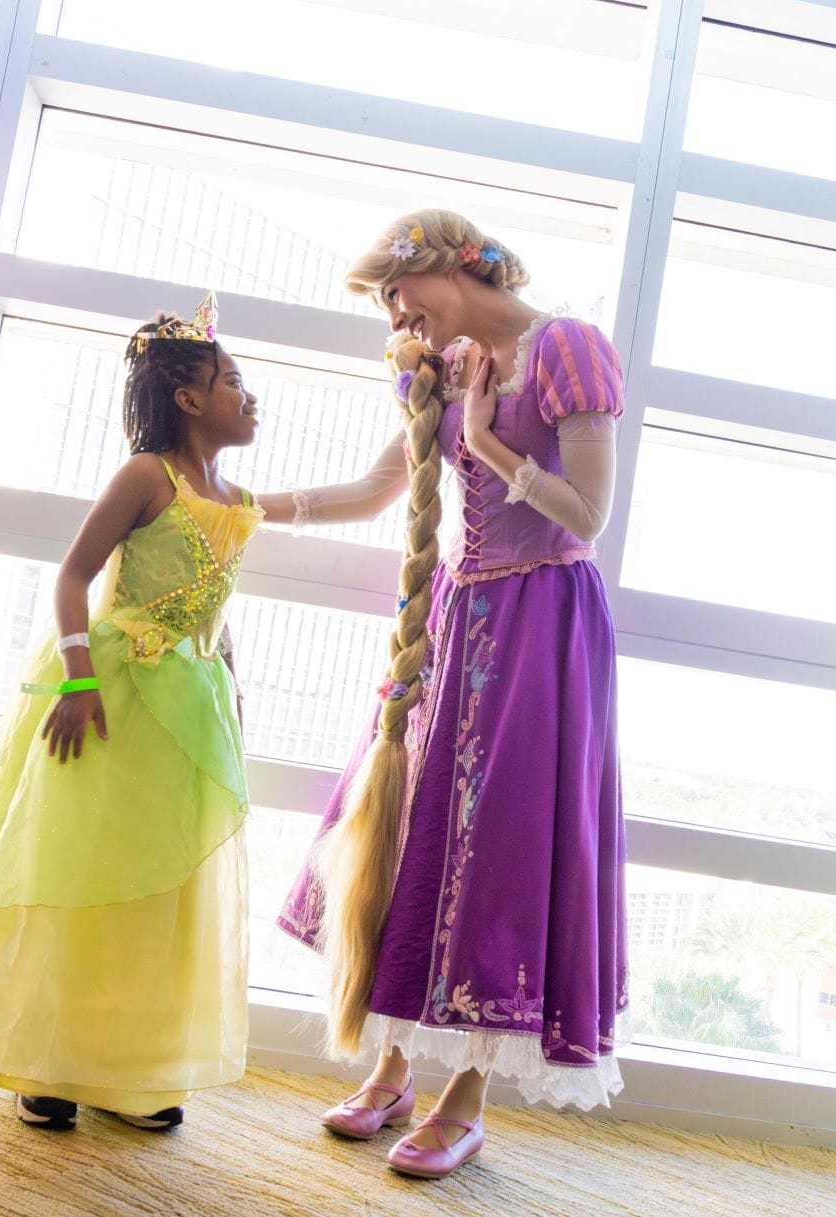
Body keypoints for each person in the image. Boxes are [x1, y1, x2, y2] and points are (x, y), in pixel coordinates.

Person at [260, 210, 629, 1179]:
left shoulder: (568, 348)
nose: (395, 315)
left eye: (396, 291)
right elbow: (382, 490)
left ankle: (466, 1099)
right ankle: (393, 1065)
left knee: (503, 852)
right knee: (417, 835)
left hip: (544, 627)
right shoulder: (444, 362)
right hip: (454, 622)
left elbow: (588, 515)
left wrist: (488, 442)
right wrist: (253, 507)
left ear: (447, 266)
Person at [0, 294, 263, 1132]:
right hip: (109, 699)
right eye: (233, 381)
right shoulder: (145, 476)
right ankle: (48, 1061)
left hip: (189, 707)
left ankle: (129, 1070)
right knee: (78, 872)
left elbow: (213, 607)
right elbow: (71, 577)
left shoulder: (234, 494)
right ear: (187, 399)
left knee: (155, 887)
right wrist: (75, 677)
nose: (250, 397)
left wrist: (232, 684)